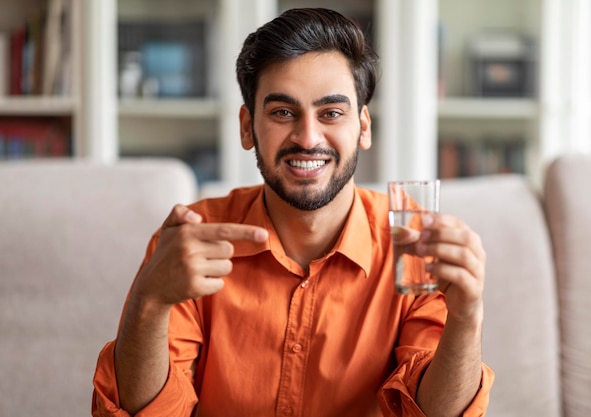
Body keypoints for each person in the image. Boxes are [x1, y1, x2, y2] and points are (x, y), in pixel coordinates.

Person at [92, 8, 493, 417]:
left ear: (364, 127)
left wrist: (467, 315)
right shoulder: (192, 241)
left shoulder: (414, 243)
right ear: (248, 127)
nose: (307, 137)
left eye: (331, 113)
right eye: (283, 112)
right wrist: (149, 301)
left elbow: (431, 413)